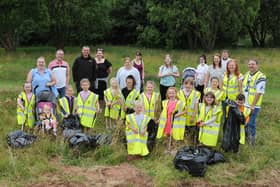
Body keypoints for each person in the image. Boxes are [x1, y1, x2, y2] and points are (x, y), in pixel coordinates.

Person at [242, 59, 266, 145]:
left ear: (257, 65)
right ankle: (245, 138)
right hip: (245, 104)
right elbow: (240, 82)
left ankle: (252, 141)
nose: (251, 66)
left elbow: (259, 92)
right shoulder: (247, 74)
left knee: (251, 123)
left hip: (253, 105)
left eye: (253, 64)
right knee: (245, 122)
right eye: (249, 64)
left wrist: (252, 105)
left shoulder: (261, 77)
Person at [177, 77, 200, 142]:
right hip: (182, 115)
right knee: (183, 131)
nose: (188, 86)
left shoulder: (196, 94)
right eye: (186, 84)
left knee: (192, 131)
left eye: (190, 84)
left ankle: (193, 142)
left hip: (191, 116)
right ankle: (184, 142)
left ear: (193, 86)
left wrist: (193, 116)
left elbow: (196, 106)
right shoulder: (179, 93)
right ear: (183, 84)